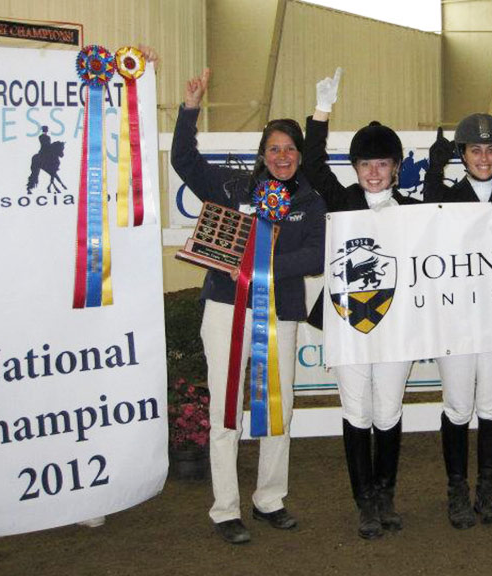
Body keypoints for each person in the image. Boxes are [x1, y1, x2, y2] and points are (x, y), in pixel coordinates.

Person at [171, 68, 326, 545]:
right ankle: (225, 508)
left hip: (281, 315)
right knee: (225, 409)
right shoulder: (234, 188)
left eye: (290, 149)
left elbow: (317, 255)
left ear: (300, 156)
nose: (282, 156)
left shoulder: (311, 200)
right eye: (274, 148)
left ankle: (269, 498)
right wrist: (190, 108)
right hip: (225, 310)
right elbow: (183, 161)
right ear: (263, 153)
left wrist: (262, 266)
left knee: (277, 410)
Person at [302, 68, 418, 540]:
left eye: (382, 164)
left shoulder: (415, 211)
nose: (373, 172)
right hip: (347, 322)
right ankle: (364, 500)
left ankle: (386, 493)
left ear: (395, 167)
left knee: (388, 410)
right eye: (366, 164)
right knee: (357, 411)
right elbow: (311, 163)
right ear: (355, 169)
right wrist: (321, 112)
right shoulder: (341, 200)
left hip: (396, 326)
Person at [423, 111, 492, 528]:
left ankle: (488, 488)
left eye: (491, 150)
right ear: (463, 155)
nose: (484, 157)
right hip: (456, 320)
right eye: (475, 150)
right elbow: (421, 229)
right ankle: (457, 489)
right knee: (459, 405)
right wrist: (433, 169)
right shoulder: (444, 200)